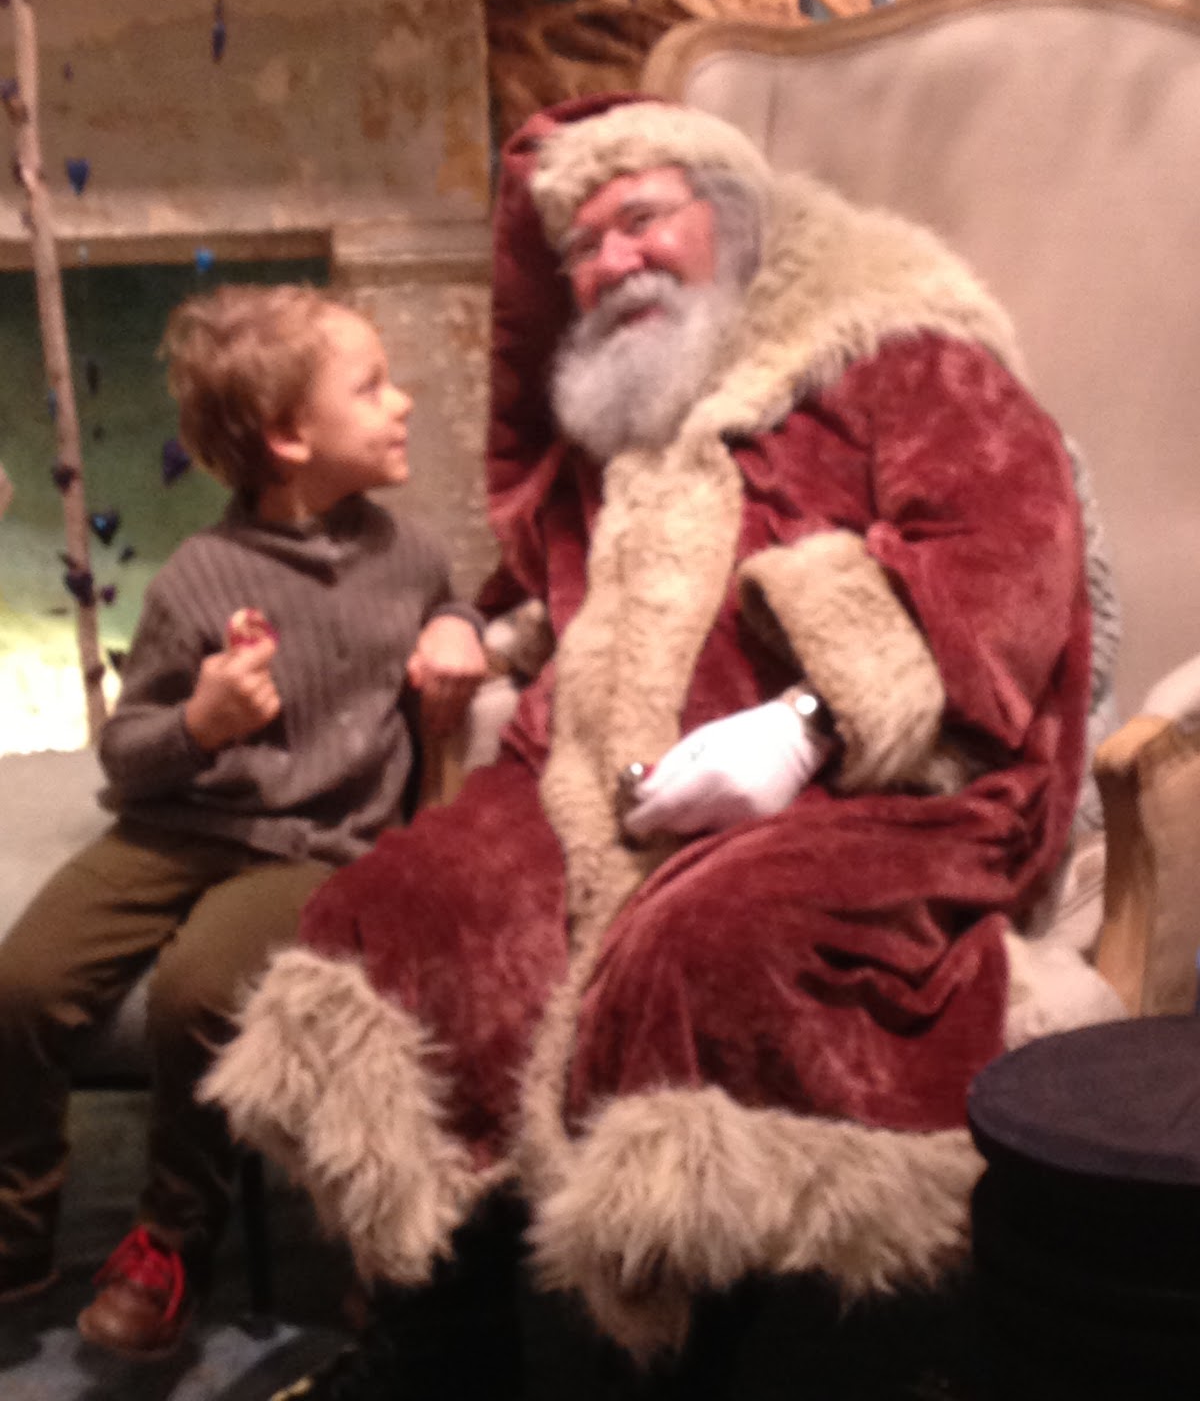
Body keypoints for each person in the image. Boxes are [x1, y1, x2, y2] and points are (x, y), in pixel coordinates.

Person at [206, 99, 1097, 1396]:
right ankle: (441, 1349)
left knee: (707, 952)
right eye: (584, 244)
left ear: (732, 220)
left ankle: (703, 1355)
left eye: (642, 218)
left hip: (882, 787)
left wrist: (807, 722)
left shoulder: (904, 354)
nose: (612, 257)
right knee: (390, 919)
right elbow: (540, 562)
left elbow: (1009, 566)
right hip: (592, 777)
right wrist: (477, 633)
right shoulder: (623, 405)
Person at [0, 284, 487, 1357]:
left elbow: (453, 599)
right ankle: (18, 1225)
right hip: (174, 825)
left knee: (198, 995)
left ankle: (172, 1238)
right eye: (372, 386)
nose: (402, 401)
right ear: (288, 437)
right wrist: (201, 723)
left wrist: (458, 626)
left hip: (316, 842)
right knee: (21, 982)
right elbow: (127, 755)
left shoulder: (409, 556)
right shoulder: (199, 577)